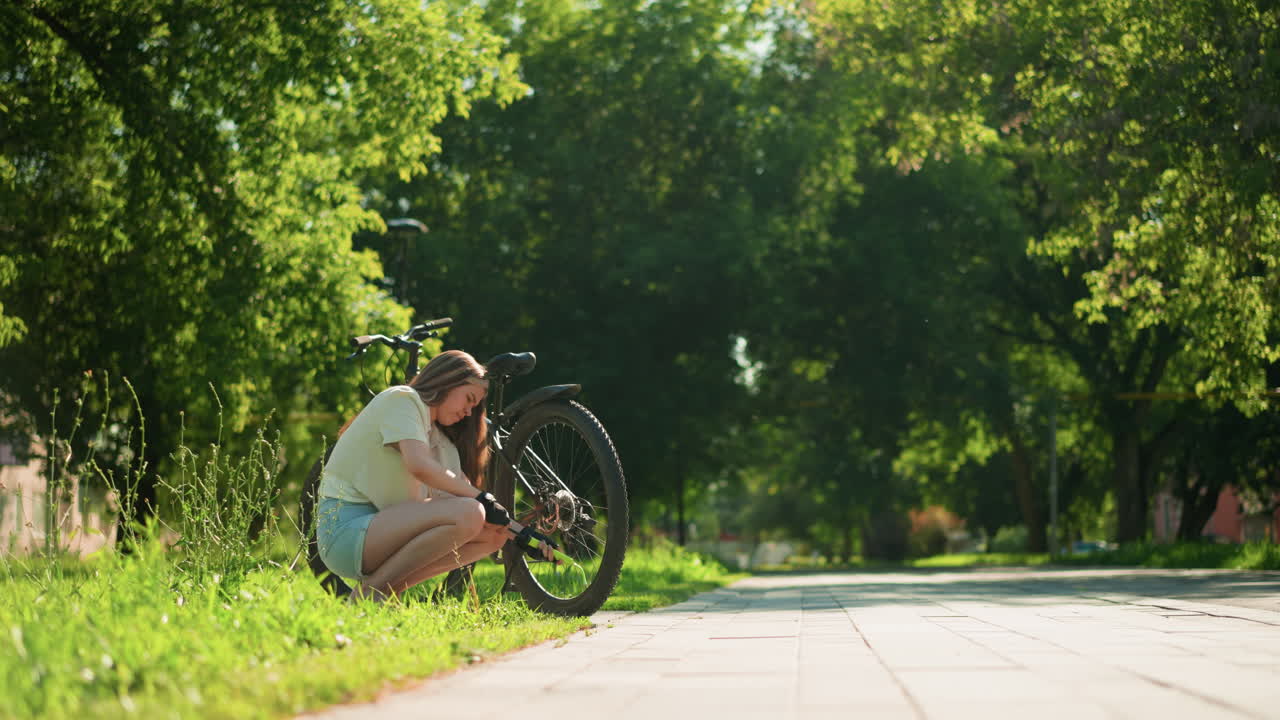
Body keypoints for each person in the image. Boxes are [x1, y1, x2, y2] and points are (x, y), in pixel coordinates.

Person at [314, 349, 511, 602]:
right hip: (345, 532)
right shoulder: (402, 400)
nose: (469, 412)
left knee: (495, 535)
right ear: (448, 381)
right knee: (472, 512)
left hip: (381, 528)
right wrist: (483, 498)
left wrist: (529, 538)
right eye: (469, 399)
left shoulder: (437, 439)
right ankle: (370, 593)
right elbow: (419, 465)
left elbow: (473, 497)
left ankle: (381, 590)